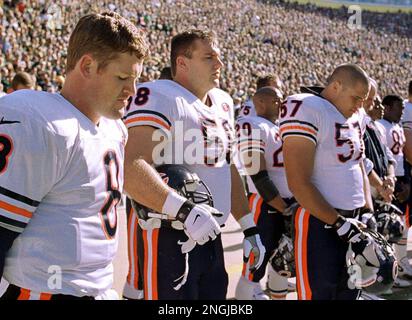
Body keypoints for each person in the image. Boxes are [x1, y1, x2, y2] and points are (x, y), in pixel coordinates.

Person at [0, 11, 149, 300]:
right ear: (88, 66)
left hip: (99, 289)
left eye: (135, 78)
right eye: (122, 77)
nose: (132, 90)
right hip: (43, 292)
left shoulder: (115, 129)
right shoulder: (40, 122)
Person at [122, 29, 265, 300]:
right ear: (182, 63)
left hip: (213, 235)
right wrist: (185, 211)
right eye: (209, 57)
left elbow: (226, 167)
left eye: (219, 57)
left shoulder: (223, 102)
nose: (219, 64)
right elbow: (130, 165)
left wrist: (249, 226)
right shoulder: (160, 95)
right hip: (171, 235)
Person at [280, 63, 378, 300]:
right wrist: (339, 223)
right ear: (336, 86)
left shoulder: (354, 115)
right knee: (320, 294)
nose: (359, 106)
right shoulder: (305, 106)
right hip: (320, 223)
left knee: (350, 293)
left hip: (354, 222)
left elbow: (358, 165)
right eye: (356, 98)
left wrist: (367, 210)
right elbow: (298, 181)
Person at [234, 86, 293, 300]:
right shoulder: (252, 124)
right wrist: (283, 206)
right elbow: (257, 174)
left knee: (283, 260)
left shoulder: (280, 127)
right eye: (276, 100)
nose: (281, 104)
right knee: (255, 262)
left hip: (288, 203)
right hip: (266, 203)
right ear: (260, 102)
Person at [379, 94, 412, 285]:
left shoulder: (397, 126)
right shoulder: (381, 126)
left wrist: (406, 181)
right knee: (389, 227)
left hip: (401, 177)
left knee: (400, 225)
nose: (401, 111)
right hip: (389, 180)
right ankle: (390, 271)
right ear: (388, 107)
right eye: (398, 108)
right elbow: (384, 157)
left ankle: (399, 265)